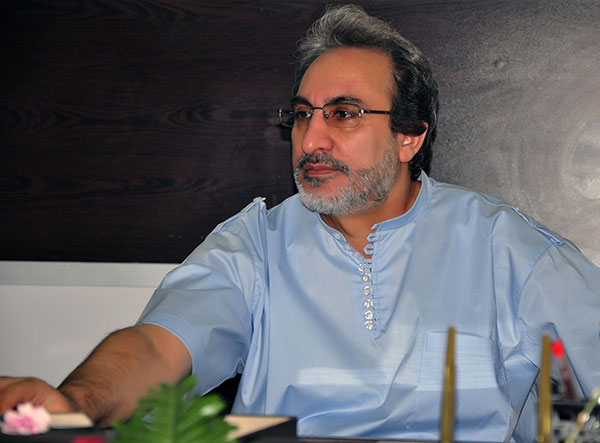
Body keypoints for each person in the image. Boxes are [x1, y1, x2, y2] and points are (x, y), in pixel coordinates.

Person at [1, 4, 600, 441]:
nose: (311, 139)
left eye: (344, 114)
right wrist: (75, 401)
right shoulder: (255, 246)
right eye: (302, 114)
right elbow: (158, 347)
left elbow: (589, 398)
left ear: (409, 137)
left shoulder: (508, 250)